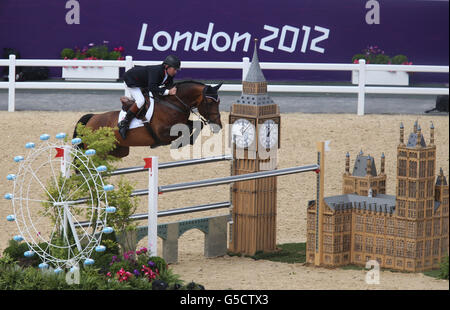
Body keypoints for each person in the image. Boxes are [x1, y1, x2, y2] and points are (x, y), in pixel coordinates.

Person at [118, 55, 181, 139]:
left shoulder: (169, 75)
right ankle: (124, 123)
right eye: (174, 69)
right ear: (167, 66)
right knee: (141, 101)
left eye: (177, 70)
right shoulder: (157, 71)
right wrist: (168, 92)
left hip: (144, 83)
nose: (176, 72)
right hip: (132, 80)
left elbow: (169, 86)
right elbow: (152, 88)